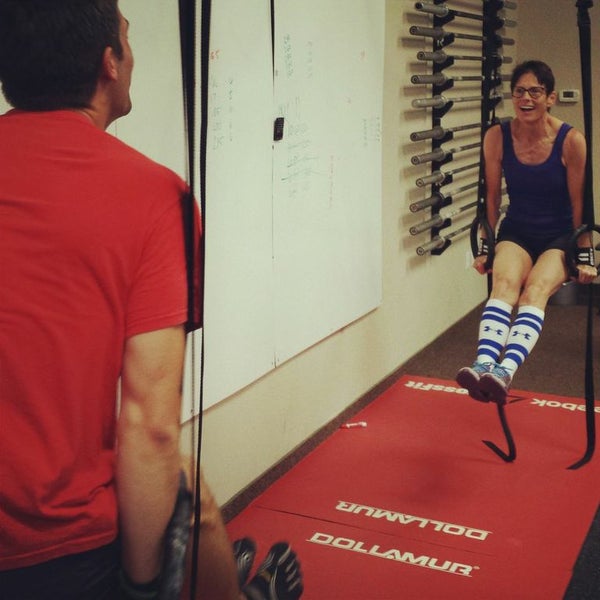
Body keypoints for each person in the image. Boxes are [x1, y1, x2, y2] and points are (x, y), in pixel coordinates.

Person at [0, 2, 303, 599]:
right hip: (58, 550)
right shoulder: (155, 195)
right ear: (109, 63)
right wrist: (143, 585)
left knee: (192, 494)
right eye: (128, 41)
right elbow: (150, 426)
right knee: (179, 493)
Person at [456, 60, 597, 405]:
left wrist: (584, 255)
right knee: (504, 285)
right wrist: (487, 247)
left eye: (535, 91)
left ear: (550, 98)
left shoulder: (571, 141)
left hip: (559, 236)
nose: (526, 99)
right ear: (512, 96)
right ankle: (484, 364)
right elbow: (489, 197)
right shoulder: (497, 136)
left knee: (534, 290)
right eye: (519, 91)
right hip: (517, 230)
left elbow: (581, 204)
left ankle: (504, 371)